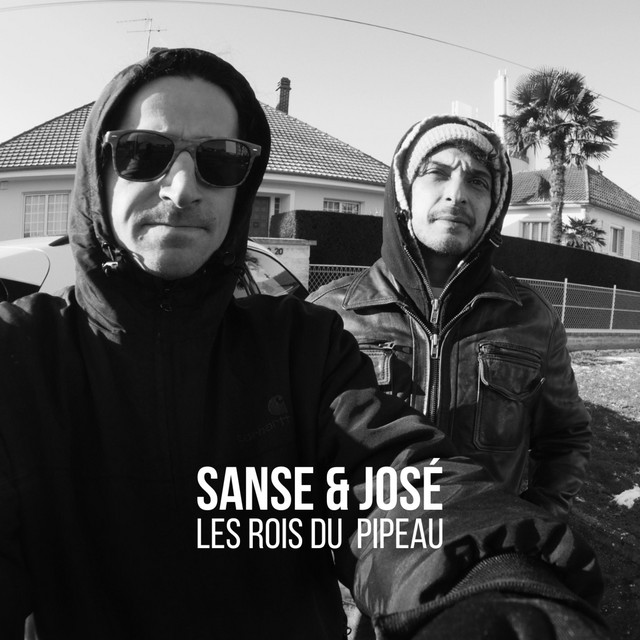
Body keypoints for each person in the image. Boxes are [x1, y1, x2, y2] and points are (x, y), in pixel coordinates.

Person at [0, 49, 607, 640]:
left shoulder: (302, 345)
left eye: (221, 160)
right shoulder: (16, 357)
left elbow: (384, 484)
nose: (182, 188)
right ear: (97, 169)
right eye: (143, 152)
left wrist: (493, 582)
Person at [309, 115, 591, 518]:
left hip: (484, 551)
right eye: (437, 174)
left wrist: (534, 524)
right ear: (404, 192)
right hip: (364, 552)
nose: (456, 195)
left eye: (477, 181)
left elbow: (566, 438)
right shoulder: (330, 314)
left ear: (494, 208)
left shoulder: (533, 319)